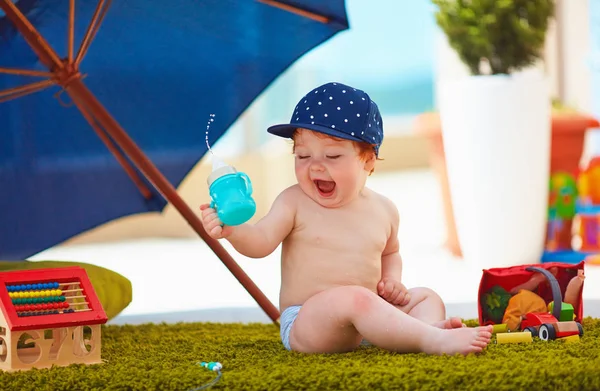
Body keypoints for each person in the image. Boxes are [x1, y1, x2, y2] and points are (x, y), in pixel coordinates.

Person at [200, 82, 493, 355]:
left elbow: (391, 253)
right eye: (302, 156)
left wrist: (392, 280)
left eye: (332, 157)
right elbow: (261, 241)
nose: (315, 167)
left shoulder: (384, 209)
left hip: (367, 314)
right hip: (308, 321)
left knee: (427, 297)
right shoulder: (293, 202)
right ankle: (430, 338)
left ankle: (420, 329)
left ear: (367, 161)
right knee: (354, 298)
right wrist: (233, 230)